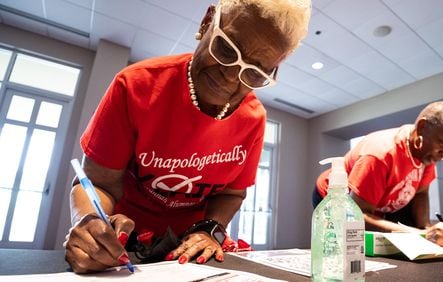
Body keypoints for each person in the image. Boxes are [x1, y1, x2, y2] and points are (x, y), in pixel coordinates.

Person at [64, 0, 311, 273]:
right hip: (121, 245)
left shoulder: (254, 119)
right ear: (207, 23)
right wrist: (89, 223)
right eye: (226, 48)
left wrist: (209, 229)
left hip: (189, 253)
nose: (230, 76)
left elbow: (231, 193)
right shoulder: (136, 86)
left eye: (253, 72)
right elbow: (99, 184)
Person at [312, 101, 443, 247]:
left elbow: (421, 192)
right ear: (422, 128)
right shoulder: (380, 155)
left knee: (407, 242)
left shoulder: (426, 156)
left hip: (376, 204)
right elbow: (357, 217)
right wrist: (423, 234)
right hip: (335, 197)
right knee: (345, 247)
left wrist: (427, 229)